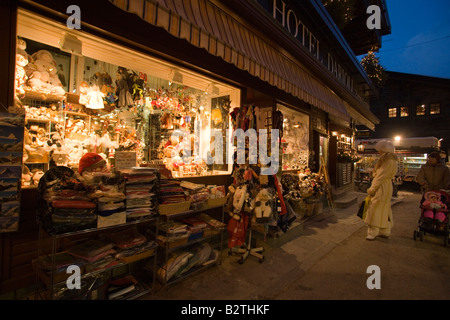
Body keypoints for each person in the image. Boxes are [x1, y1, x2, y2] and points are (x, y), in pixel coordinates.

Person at [365, 140, 398, 240]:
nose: (378, 152)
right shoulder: (392, 159)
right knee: (385, 208)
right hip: (387, 186)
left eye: (379, 150)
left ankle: (373, 232)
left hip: (381, 186)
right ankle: (385, 230)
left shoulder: (387, 160)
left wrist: (372, 189)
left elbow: (380, 176)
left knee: (374, 208)